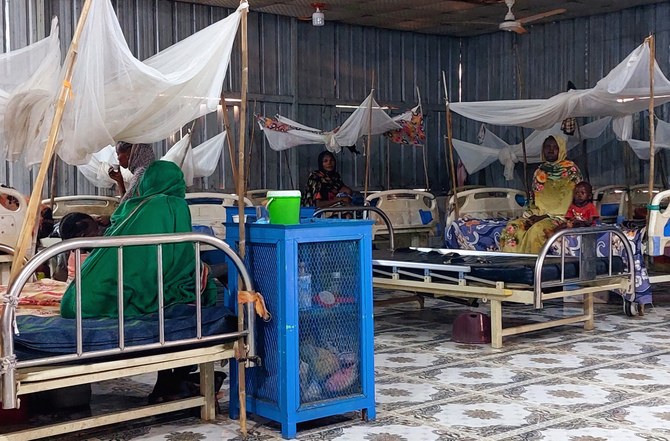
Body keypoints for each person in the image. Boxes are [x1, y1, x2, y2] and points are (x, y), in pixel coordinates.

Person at [61, 160, 215, 319]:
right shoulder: (175, 205)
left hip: (75, 299)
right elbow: (182, 257)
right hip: (95, 304)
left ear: (146, 182)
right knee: (197, 277)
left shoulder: (131, 205)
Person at [500, 135, 583, 253]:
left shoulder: (571, 171)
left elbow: (575, 200)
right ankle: (512, 265)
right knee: (512, 227)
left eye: (555, 147)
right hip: (539, 213)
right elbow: (535, 198)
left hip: (562, 216)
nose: (551, 149)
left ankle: (533, 266)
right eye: (547, 146)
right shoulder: (540, 171)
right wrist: (532, 214)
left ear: (562, 149)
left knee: (537, 230)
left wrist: (546, 216)